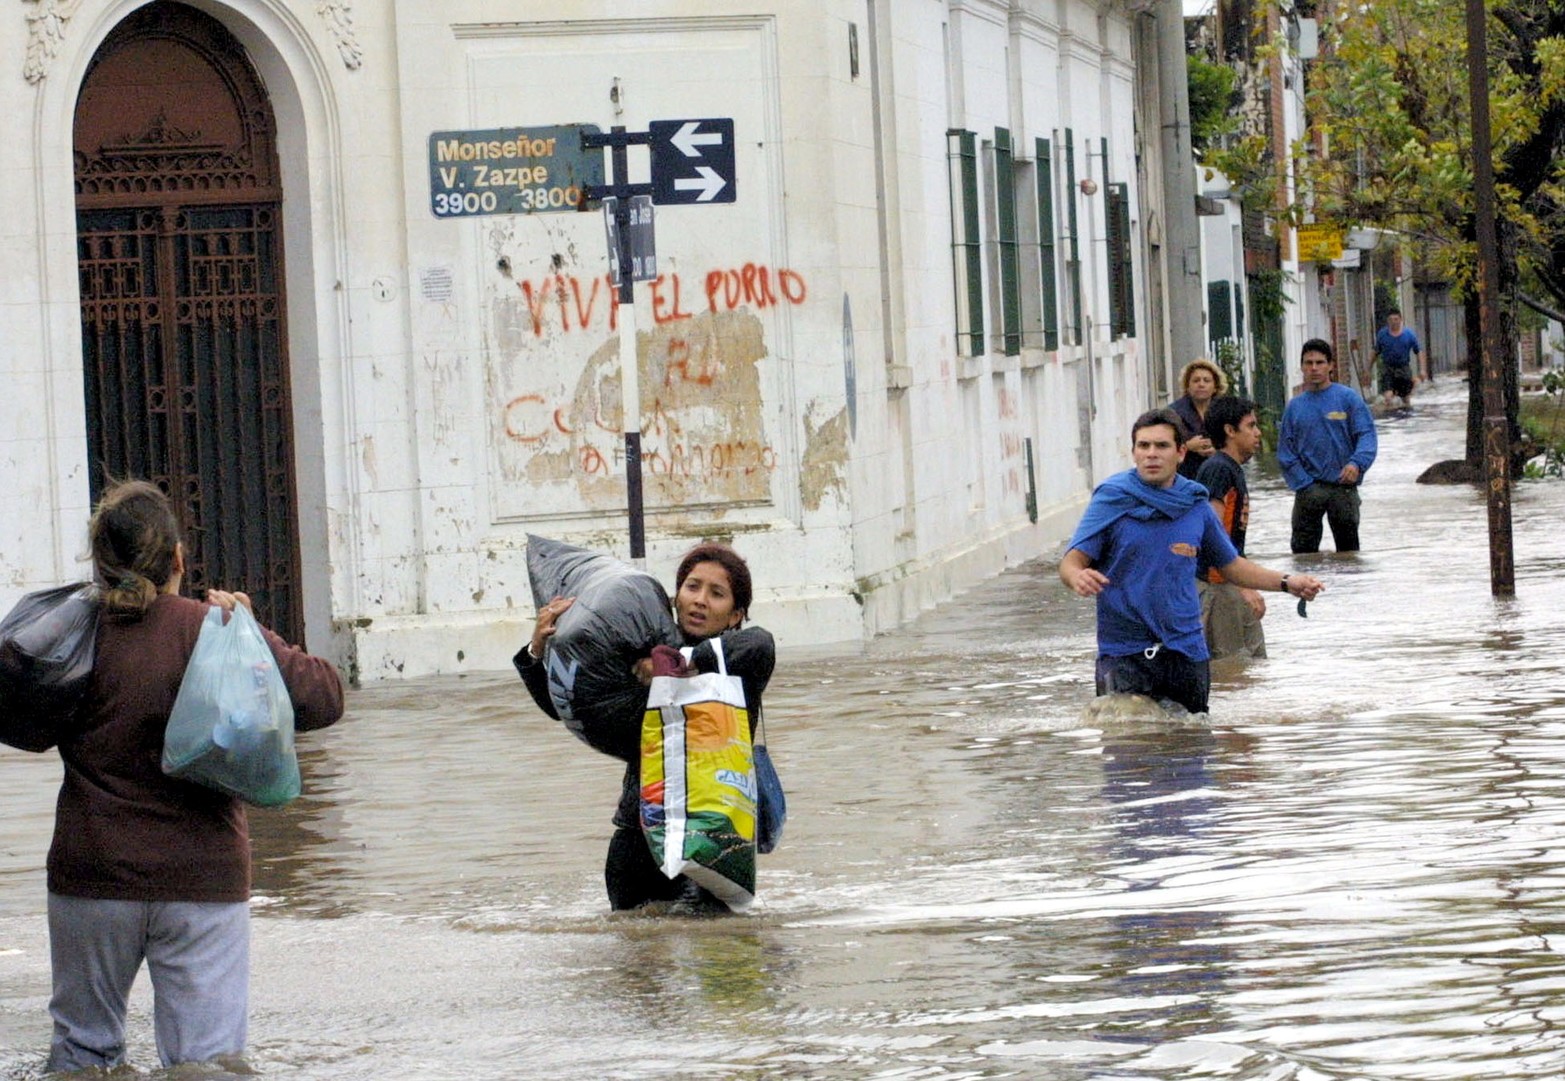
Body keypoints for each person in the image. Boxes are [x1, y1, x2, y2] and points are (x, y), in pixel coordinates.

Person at [42, 480, 344, 1073]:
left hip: (91, 876)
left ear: (99, 564)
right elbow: (324, 697)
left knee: (82, 1059)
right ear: (179, 559)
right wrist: (254, 638)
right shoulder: (214, 629)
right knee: (206, 1065)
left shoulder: (71, 634)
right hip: (200, 879)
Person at [515, 541, 774, 911]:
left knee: (714, 955)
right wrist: (537, 651)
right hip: (637, 838)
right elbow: (574, 707)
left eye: (717, 594)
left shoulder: (739, 665)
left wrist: (675, 663)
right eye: (692, 587)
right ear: (676, 596)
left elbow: (761, 644)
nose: (700, 600)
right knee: (632, 958)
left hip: (709, 838)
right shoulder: (639, 646)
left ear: (735, 615)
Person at [1059, 408, 1323, 714]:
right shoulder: (1112, 500)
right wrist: (1077, 577)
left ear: (1181, 452)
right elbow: (1071, 562)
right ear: (1133, 452)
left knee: (1190, 746)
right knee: (1130, 752)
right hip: (1124, 652)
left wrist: (1288, 583)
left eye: (1162, 446)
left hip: (1185, 651)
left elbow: (1231, 566)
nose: (1151, 454)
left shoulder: (1195, 504)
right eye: (1143, 446)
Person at [1277, 338, 1378, 553]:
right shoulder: (1294, 407)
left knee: (1349, 555)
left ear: (1331, 366)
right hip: (1308, 489)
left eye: (1320, 362)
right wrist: (1304, 483)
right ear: (1302, 367)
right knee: (1303, 555)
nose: (1314, 368)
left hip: (1344, 487)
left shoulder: (1349, 399)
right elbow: (1286, 452)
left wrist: (1356, 464)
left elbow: (1367, 436)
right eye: (1308, 363)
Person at [1195, 396, 1267, 659]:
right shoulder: (1218, 470)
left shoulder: (1229, 469)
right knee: (1233, 669)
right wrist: (1244, 585)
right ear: (1230, 431)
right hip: (1219, 585)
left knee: (1251, 665)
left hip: (1229, 582)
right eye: (1251, 426)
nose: (1258, 433)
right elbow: (1213, 535)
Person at [1169, 358, 1228, 479]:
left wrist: (1218, 448)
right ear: (1188, 386)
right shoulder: (1172, 413)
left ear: (1215, 387)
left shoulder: (1225, 411)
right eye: (1196, 381)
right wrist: (1188, 446)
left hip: (1217, 476)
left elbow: (1236, 442)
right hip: (1184, 477)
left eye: (1207, 381)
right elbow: (1163, 446)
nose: (1201, 384)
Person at [1374, 308, 1425, 405]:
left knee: (1405, 398)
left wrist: (1422, 369)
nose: (1394, 322)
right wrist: (1368, 369)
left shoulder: (1409, 334)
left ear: (1401, 320)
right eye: (1391, 320)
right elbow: (1375, 352)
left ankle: (1406, 415)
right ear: (1388, 321)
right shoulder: (1382, 334)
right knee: (1388, 397)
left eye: (1396, 319)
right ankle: (1390, 415)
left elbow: (1419, 352)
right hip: (1387, 368)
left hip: (1403, 369)